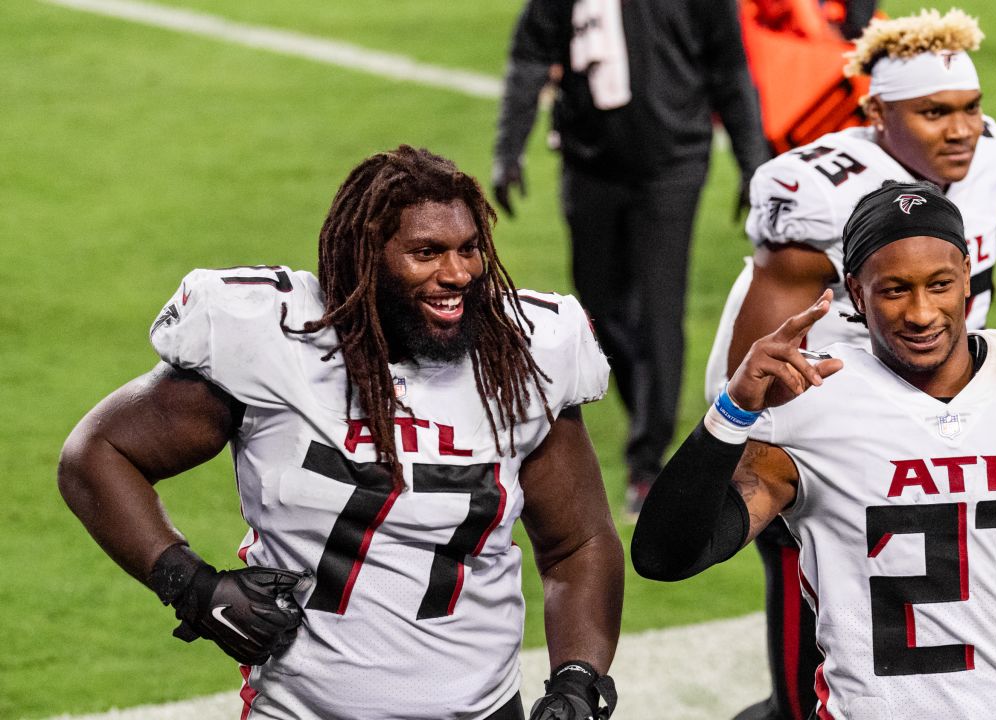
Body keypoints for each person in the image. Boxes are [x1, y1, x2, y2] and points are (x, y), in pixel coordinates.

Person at [57, 146, 624, 720]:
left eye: (469, 249)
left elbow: (578, 544)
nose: (457, 274)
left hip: (480, 710)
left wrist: (577, 677)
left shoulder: (521, 358)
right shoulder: (276, 341)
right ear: (366, 257)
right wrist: (193, 587)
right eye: (426, 253)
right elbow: (98, 453)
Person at [634, 181, 996, 720]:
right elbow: (666, 557)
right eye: (894, 290)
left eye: (939, 284)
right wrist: (731, 411)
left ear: (967, 274)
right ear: (855, 293)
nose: (920, 313)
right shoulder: (810, 404)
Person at [702, 9, 996, 719]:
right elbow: (763, 347)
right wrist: (754, 445)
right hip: (818, 421)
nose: (961, 129)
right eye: (934, 112)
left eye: (969, 108)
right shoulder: (815, 187)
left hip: (922, 415)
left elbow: (974, 288)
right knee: (814, 599)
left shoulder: (993, 153)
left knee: (919, 615)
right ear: (877, 110)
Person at [492, 0, 771, 514]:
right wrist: (508, 149)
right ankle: (644, 405)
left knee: (659, 309)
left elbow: (730, 68)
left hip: (674, 163)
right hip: (589, 162)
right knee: (599, 308)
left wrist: (755, 163)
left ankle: (648, 459)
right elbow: (531, 55)